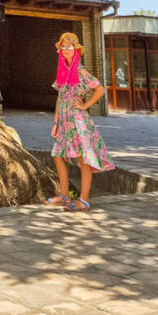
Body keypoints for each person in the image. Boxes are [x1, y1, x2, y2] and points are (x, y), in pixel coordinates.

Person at [45, 31, 114, 213]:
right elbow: (60, 98)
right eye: (63, 47)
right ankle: (64, 195)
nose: (66, 50)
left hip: (78, 121)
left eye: (70, 47)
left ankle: (83, 200)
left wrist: (85, 105)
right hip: (64, 122)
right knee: (57, 155)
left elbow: (99, 89)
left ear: (76, 50)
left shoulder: (79, 70)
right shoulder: (63, 71)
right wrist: (55, 122)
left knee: (84, 159)